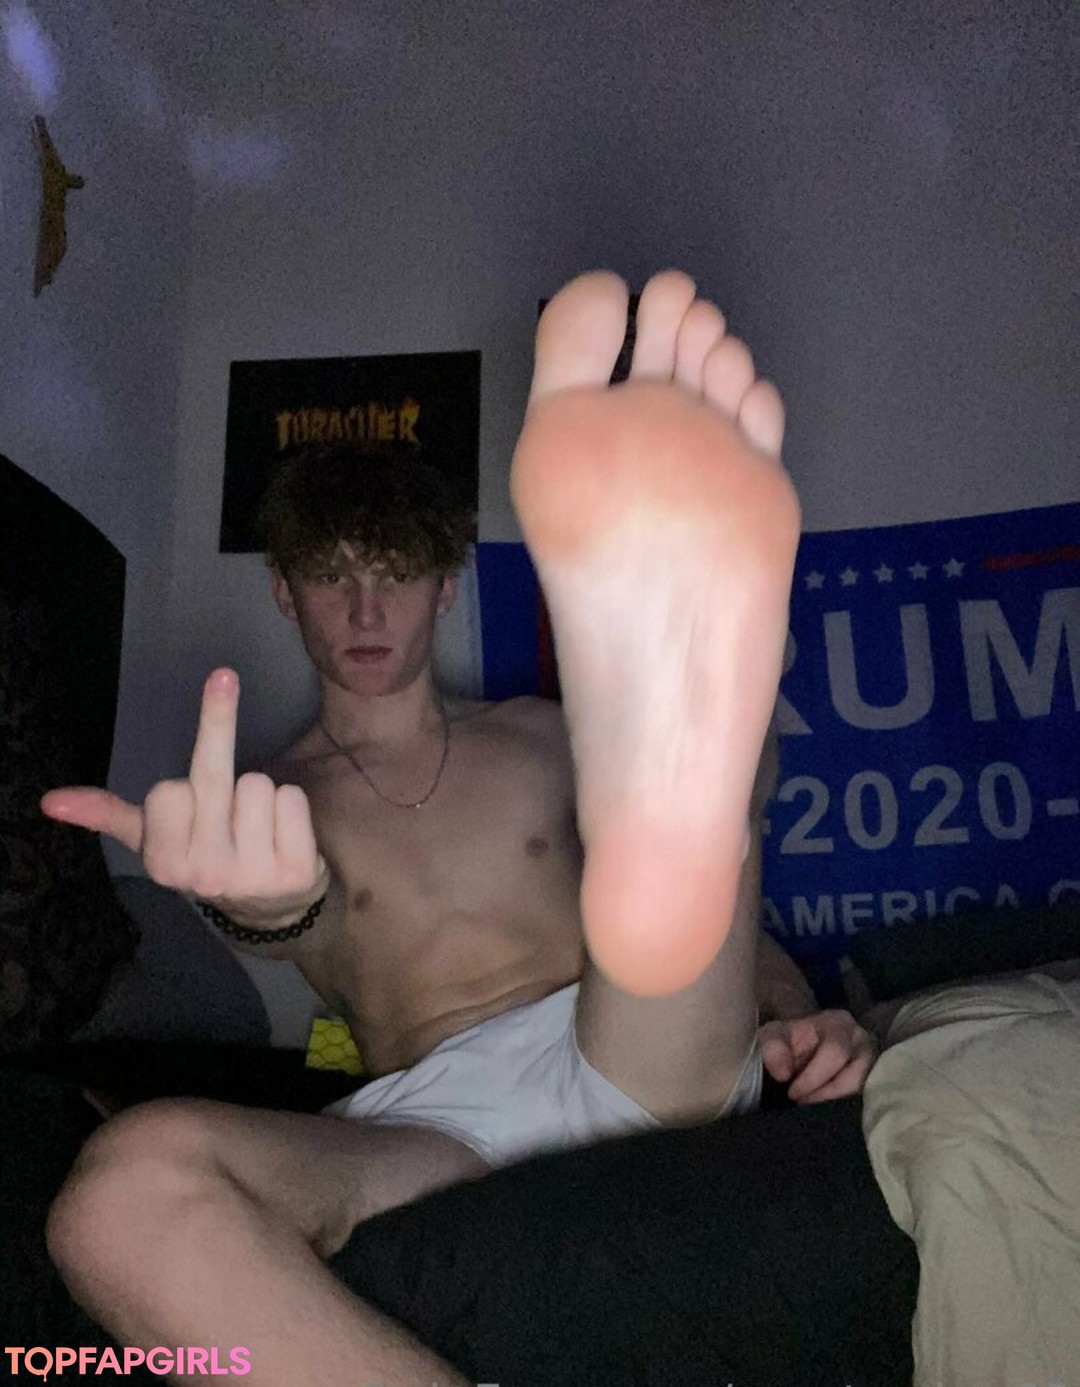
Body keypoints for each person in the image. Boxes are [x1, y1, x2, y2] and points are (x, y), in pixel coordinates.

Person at [43, 268, 874, 1386]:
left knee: (664, 869)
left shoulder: (543, 737)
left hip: (625, 1043)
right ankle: (692, 748)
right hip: (431, 1124)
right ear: (284, 593)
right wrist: (262, 910)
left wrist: (801, 1014)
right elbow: (289, 917)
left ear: (445, 589)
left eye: (396, 574)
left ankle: (696, 739)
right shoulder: (262, 803)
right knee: (117, 1198)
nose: (366, 609)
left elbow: (740, 952)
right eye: (330, 577)